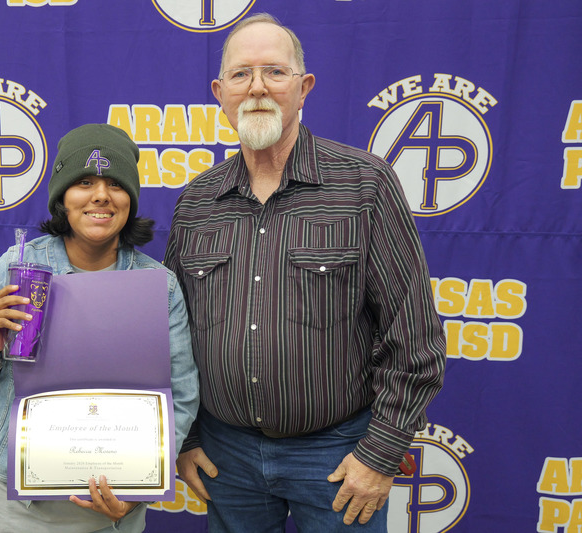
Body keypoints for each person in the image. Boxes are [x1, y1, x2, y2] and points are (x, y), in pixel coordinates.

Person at [163, 13, 446, 532]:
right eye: (241, 75)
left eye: (274, 72)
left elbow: (415, 337)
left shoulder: (365, 186)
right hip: (227, 459)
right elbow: (169, 338)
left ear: (304, 87)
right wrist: (185, 438)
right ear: (219, 91)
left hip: (339, 457)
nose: (257, 89)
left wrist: (380, 454)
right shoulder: (197, 202)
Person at [0, 123, 199, 533]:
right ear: (62, 197)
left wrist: (135, 492)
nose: (100, 194)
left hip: (111, 509)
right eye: (84, 182)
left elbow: (182, 395)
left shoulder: (159, 286)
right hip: (14, 511)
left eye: (114, 183)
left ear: (130, 200)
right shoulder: (17, 268)